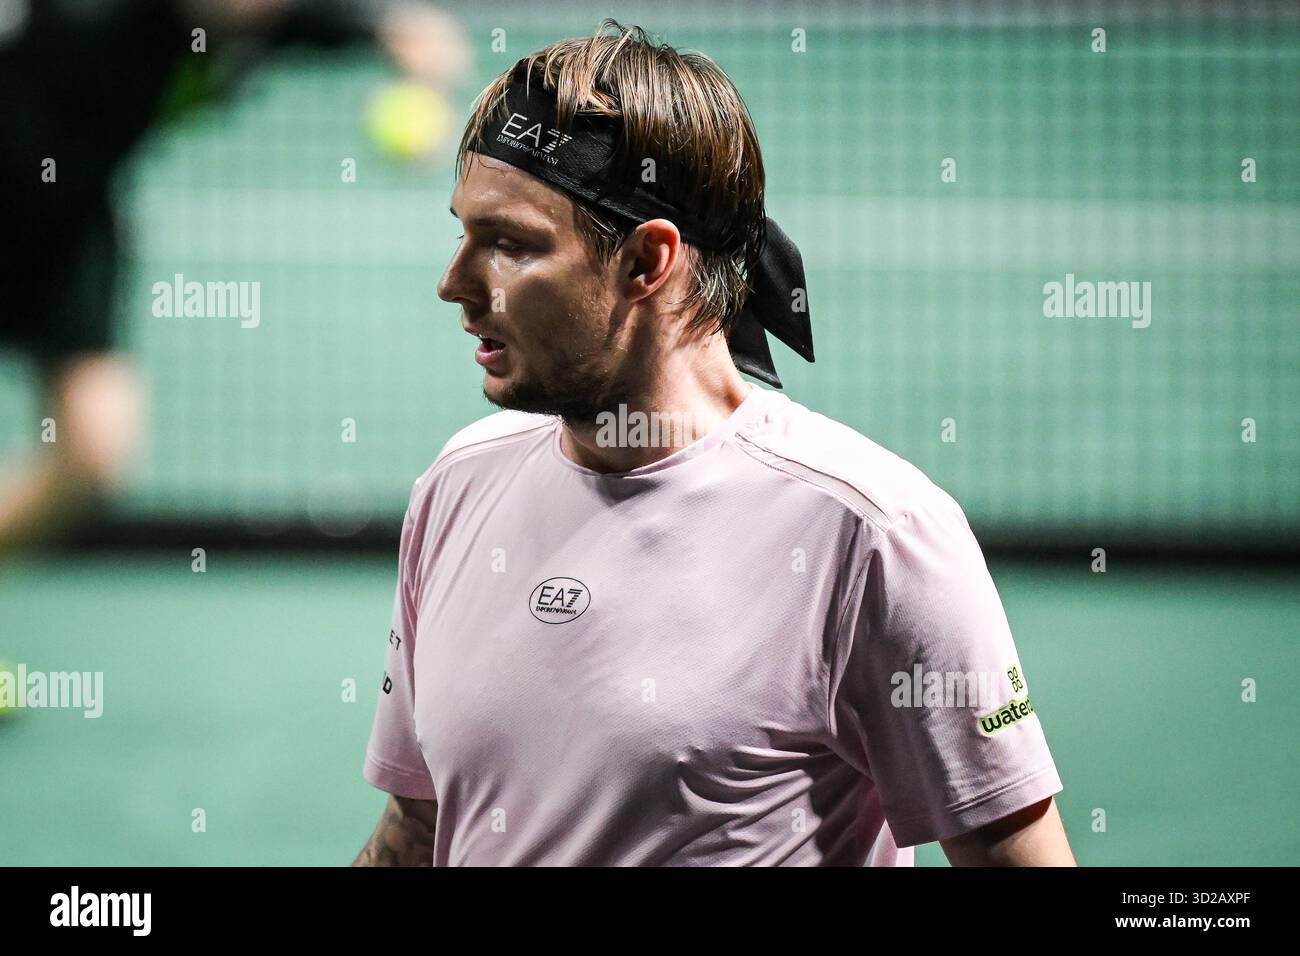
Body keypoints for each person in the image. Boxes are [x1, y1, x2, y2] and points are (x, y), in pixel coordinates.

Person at [354, 20, 1075, 867]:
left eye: (509, 245)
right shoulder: (457, 485)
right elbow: (418, 829)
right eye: (463, 231)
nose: (455, 283)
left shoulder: (874, 534)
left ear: (647, 260)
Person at [0, 0, 469, 557]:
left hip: (70, 227)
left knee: (93, 447)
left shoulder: (261, 21)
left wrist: (419, 66)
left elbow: (413, 35)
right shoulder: (84, 19)